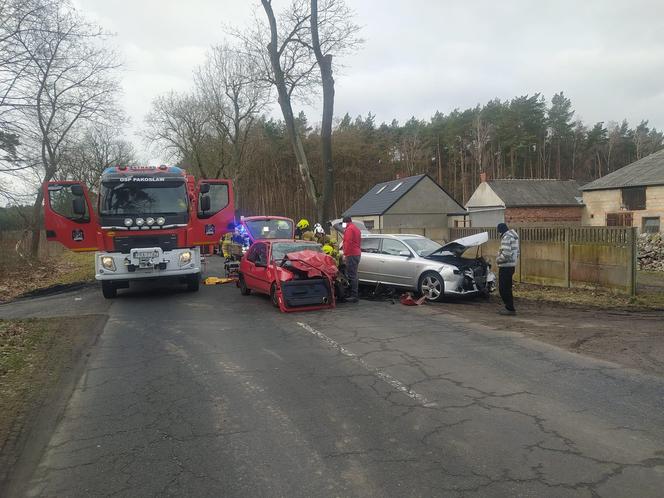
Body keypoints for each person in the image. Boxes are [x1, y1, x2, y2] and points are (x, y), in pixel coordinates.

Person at [496, 223, 520, 315]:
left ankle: (509, 309)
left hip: (505, 266)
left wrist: (498, 259)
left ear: (500, 231)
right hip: (511, 266)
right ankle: (510, 307)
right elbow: (517, 253)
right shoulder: (514, 237)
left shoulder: (506, 238)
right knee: (508, 288)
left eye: (498, 232)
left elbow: (506, 254)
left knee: (503, 289)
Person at [342, 215, 361, 303]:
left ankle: (354, 296)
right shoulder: (356, 228)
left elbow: (348, 242)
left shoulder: (349, 229)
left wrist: (345, 254)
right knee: (354, 274)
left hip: (351, 254)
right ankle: (354, 294)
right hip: (357, 253)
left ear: (345, 222)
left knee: (352, 275)